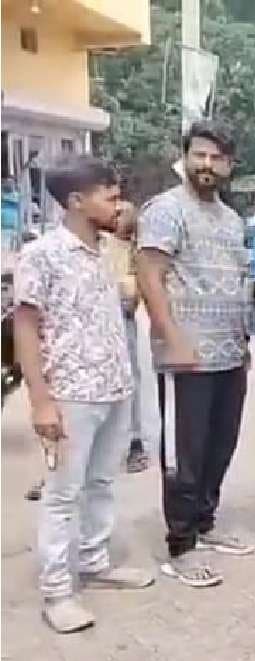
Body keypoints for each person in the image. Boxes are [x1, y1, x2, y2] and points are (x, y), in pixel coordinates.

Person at [14, 156, 154, 633]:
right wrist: (40, 401)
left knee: (102, 483)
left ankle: (95, 561)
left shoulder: (103, 250)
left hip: (114, 388)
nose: (120, 204)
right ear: (76, 201)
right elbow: (26, 328)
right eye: (110, 197)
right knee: (62, 493)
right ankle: (56, 591)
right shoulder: (43, 254)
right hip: (70, 393)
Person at [137, 122, 254, 588]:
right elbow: (149, 274)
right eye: (199, 155)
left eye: (217, 158)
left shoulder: (231, 219)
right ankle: (180, 545)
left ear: (229, 165)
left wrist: (243, 341)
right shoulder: (165, 210)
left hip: (229, 353)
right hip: (186, 358)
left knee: (219, 447)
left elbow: (238, 283)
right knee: (183, 455)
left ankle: (205, 525)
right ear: (185, 157)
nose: (207, 165)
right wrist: (172, 336)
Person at [103, 200, 149, 473]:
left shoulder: (137, 250)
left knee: (130, 378)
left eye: (124, 214)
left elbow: (135, 291)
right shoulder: (99, 244)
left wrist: (129, 293)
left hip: (122, 316)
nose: (117, 217)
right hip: (96, 315)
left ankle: (135, 442)